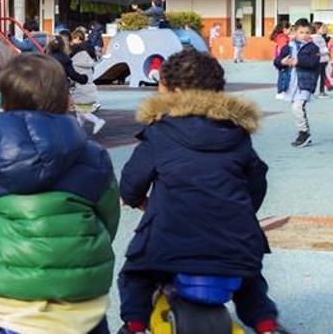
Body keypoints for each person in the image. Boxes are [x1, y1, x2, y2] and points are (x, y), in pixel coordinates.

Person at [0, 54, 119, 334]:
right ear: (65, 101)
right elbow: (108, 221)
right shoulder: (93, 158)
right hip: (77, 305)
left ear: (2, 104)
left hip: (0, 306)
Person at [118, 50, 288, 334]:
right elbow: (257, 180)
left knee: (135, 275)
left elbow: (131, 183)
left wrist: (140, 202)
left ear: (174, 90)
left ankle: (134, 325)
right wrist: (240, 210)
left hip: (169, 240)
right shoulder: (236, 133)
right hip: (234, 240)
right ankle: (266, 324)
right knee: (250, 279)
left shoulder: (159, 131)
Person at [274, 19, 319, 148]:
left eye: (307, 32)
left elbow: (313, 63)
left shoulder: (313, 48)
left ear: (311, 33)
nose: (304, 35)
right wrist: (282, 62)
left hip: (305, 83)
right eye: (301, 32)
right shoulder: (288, 47)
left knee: (297, 107)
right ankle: (305, 133)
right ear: (295, 32)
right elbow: (277, 62)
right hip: (291, 83)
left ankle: (304, 133)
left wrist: (297, 62)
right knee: (297, 108)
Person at [71, 30, 105, 134]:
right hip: (88, 86)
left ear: (77, 37)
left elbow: (74, 74)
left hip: (81, 88)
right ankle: (78, 130)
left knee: (82, 111)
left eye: (73, 38)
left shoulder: (76, 59)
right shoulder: (88, 53)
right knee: (79, 111)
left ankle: (97, 121)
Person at [312, 22, 329, 99]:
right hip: (319, 61)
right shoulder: (315, 38)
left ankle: (322, 92)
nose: (323, 29)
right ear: (317, 29)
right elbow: (316, 50)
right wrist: (326, 50)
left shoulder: (320, 37)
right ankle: (311, 92)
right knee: (315, 77)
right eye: (322, 28)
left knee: (322, 77)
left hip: (323, 60)